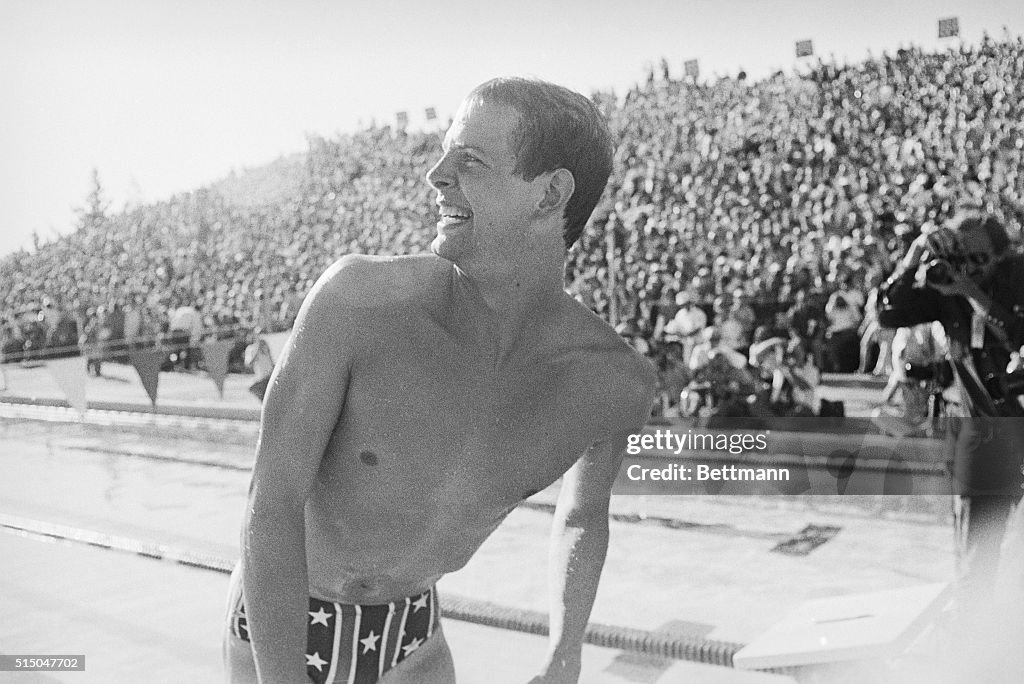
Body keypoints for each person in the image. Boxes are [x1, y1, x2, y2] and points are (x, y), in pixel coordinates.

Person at [225, 77, 656, 684]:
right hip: (286, 623)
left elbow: (584, 516)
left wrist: (566, 655)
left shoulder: (611, 384)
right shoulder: (357, 304)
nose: (435, 175)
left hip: (413, 638)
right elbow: (270, 504)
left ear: (552, 192)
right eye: (445, 151)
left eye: (470, 161)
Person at [877, 212, 1024, 617]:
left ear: (1000, 253)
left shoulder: (1017, 275)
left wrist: (972, 291)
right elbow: (888, 314)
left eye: (979, 256)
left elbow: (1018, 334)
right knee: (977, 553)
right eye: (962, 255)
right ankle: (973, 640)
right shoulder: (945, 288)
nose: (969, 265)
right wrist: (913, 258)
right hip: (986, 434)